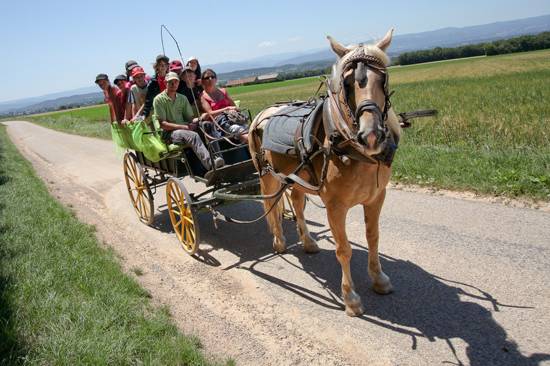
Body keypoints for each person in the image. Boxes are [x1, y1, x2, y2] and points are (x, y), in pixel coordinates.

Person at [153, 72, 223, 171]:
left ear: (178, 83)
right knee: (192, 135)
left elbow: (190, 119)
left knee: (208, 125)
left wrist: (199, 119)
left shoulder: (182, 98)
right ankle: (211, 165)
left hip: (185, 128)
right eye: (170, 82)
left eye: (175, 82)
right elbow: (163, 124)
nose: (173, 84)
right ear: (165, 83)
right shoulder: (159, 100)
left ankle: (219, 159)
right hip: (169, 134)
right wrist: (185, 127)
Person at [200, 69, 248, 143]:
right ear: (202, 81)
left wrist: (233, 110)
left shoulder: (223, 91)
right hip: (220, 123)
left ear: (216, 79)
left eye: (212, 77)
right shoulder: (203, 96)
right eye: (207, 78)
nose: (210, 79)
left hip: (233, 118)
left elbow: (235, 107)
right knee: (240, 131)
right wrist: (227, 109)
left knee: (248, 129)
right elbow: (210, 114)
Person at [141, 54, 169, 118]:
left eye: (165, 65)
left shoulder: (172, 78)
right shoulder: (153, 82)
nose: (163, 67)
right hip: (159, 110)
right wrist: (144, 114)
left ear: (167, 66)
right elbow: (149, 100)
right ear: (157, 66)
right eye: (160, 65)